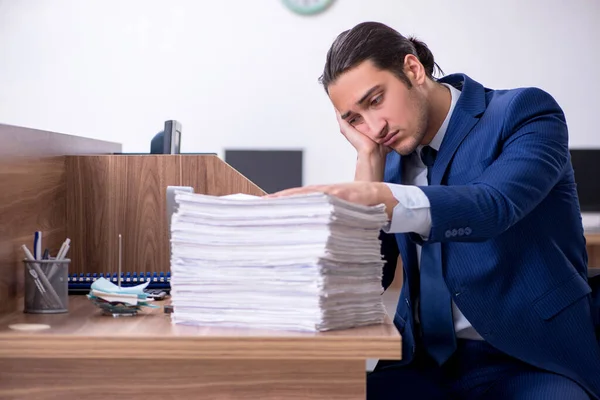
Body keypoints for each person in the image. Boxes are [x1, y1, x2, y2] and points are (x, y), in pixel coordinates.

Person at [269, 21, 600, 399]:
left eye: (375, 100)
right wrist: (368, 162)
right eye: (354, 119)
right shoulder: (389, 157)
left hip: (533, 359)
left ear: (413, 69)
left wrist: (378, 196)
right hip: (424, 366)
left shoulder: (524, 113)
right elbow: (364, 282)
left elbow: (494, 205)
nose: (374, 127)